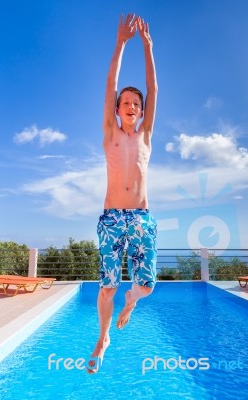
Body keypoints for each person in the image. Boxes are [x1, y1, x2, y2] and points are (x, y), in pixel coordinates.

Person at [87, 13, 158, 373]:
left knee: (145, 286)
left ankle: (133, 301)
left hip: (142, 218)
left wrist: (147, 46)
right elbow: (110, 83)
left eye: (136, 103)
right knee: (107, 288)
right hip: (113, 217)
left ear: (142, 112)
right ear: (117, 109)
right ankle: (103, 338)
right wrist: (121, 43)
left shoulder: (145, 137)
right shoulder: (110, 133)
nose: (131, 106)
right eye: (125, 103)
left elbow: (154, 89)